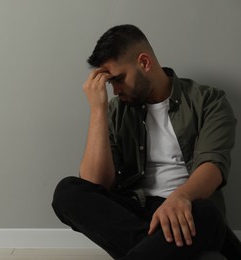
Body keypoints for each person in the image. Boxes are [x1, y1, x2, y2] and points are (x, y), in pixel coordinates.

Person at [52, 24, 240, 260]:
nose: (115, 90)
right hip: (137, 214)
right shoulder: (116, 110)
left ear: (144, 62)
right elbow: (95, 184)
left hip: (189, 210)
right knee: (67, 192)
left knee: (207, 213)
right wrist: (98, 110)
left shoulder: (208, 100)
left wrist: (180, 198)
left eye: (118, 79)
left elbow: (213, 165)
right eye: (110, 83)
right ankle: (165, 249)